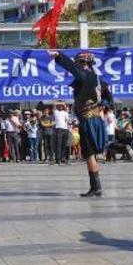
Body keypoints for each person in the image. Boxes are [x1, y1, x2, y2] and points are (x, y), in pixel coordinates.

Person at [48, 51, 108, 197]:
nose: (77, 66)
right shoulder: (99, 80)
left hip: (88, 120)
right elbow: (107, 98)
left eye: (79, 63)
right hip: (96, 120)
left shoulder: (86, 76)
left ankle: (96, 187)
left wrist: (58, 56)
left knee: (89, 153)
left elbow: (72, 68)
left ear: (83, 63)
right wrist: (102, 109)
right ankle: (95, 186)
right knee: (93, 152)